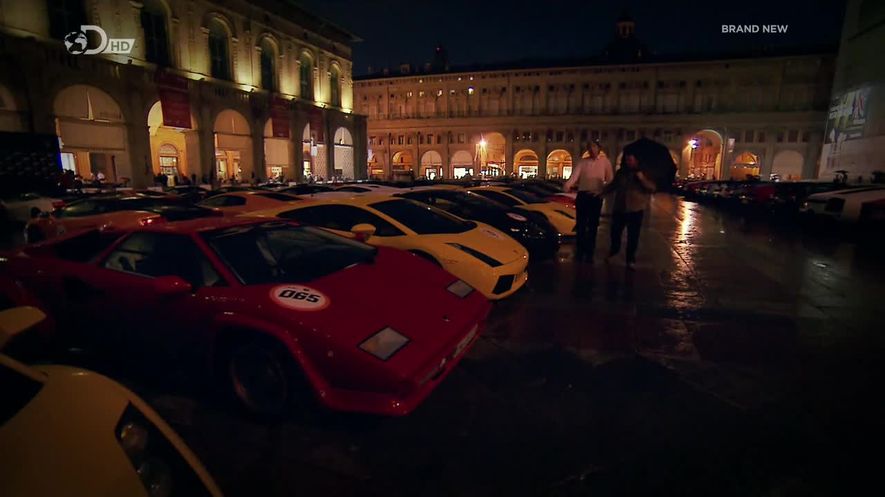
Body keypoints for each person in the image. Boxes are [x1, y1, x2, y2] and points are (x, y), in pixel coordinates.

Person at [602, 153, 656, 270]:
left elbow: (652, 188)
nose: (628, 162)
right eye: (626, 160)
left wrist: (642, 179)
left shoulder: (644, 172)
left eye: (630, 160)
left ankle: (630, 259)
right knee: (615, 233)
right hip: (620, 207)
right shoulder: (621, 173)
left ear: (636, 161)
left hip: (635, 209)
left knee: (633, 236)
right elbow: (613, 186)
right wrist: (601, 193)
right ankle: (613, 254)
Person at [564, 141, 613, 263]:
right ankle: (580, 250)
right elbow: (574, 177)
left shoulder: (605, 162)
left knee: (593, 225)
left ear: (599, 148)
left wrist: (602, 192)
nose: (591, 149)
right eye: (589, 147)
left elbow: (610, 179)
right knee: (580, 224)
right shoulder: (582, 162)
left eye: (594, 147)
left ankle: (590, 250)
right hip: (583, 195)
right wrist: (567, 185)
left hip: (596, 197)